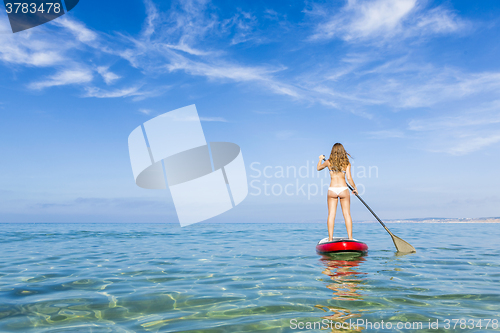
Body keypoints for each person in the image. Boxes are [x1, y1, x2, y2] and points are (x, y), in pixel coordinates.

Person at [317, 143, 358, 241]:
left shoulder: (328, 162)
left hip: (332, 190)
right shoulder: (347, 163)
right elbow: (349, 178)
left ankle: (330, 239)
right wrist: (355, 187)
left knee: (331, 214)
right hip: (343, 189)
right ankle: (350, 238)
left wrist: (319, 159)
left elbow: (318, 168)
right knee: (347, 214)